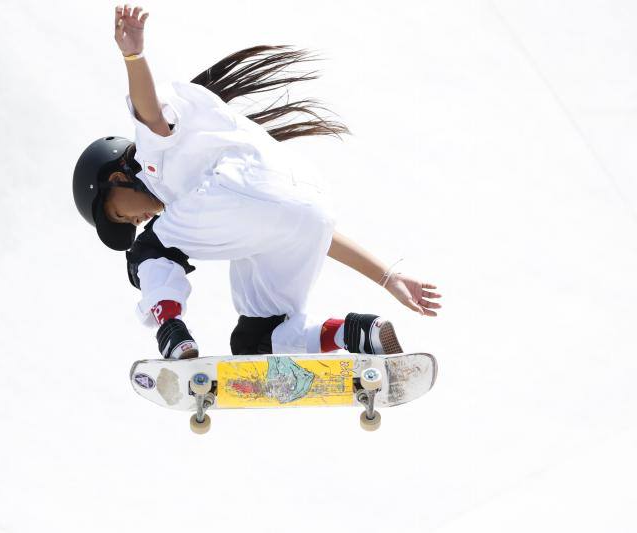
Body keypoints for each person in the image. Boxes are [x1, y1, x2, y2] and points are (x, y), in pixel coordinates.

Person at [72, 4, 442, 359]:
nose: (135, 222)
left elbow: (149, 111)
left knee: (146, 253)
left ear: (117, 179)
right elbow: (313, 228)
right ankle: (355, 332)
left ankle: (171, 331)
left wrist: (133, 56)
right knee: (257, 338)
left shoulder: (152, 158)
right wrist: (388, 277)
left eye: (119, 214)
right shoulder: (200, 177)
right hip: (309, 202)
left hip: (238, 190)